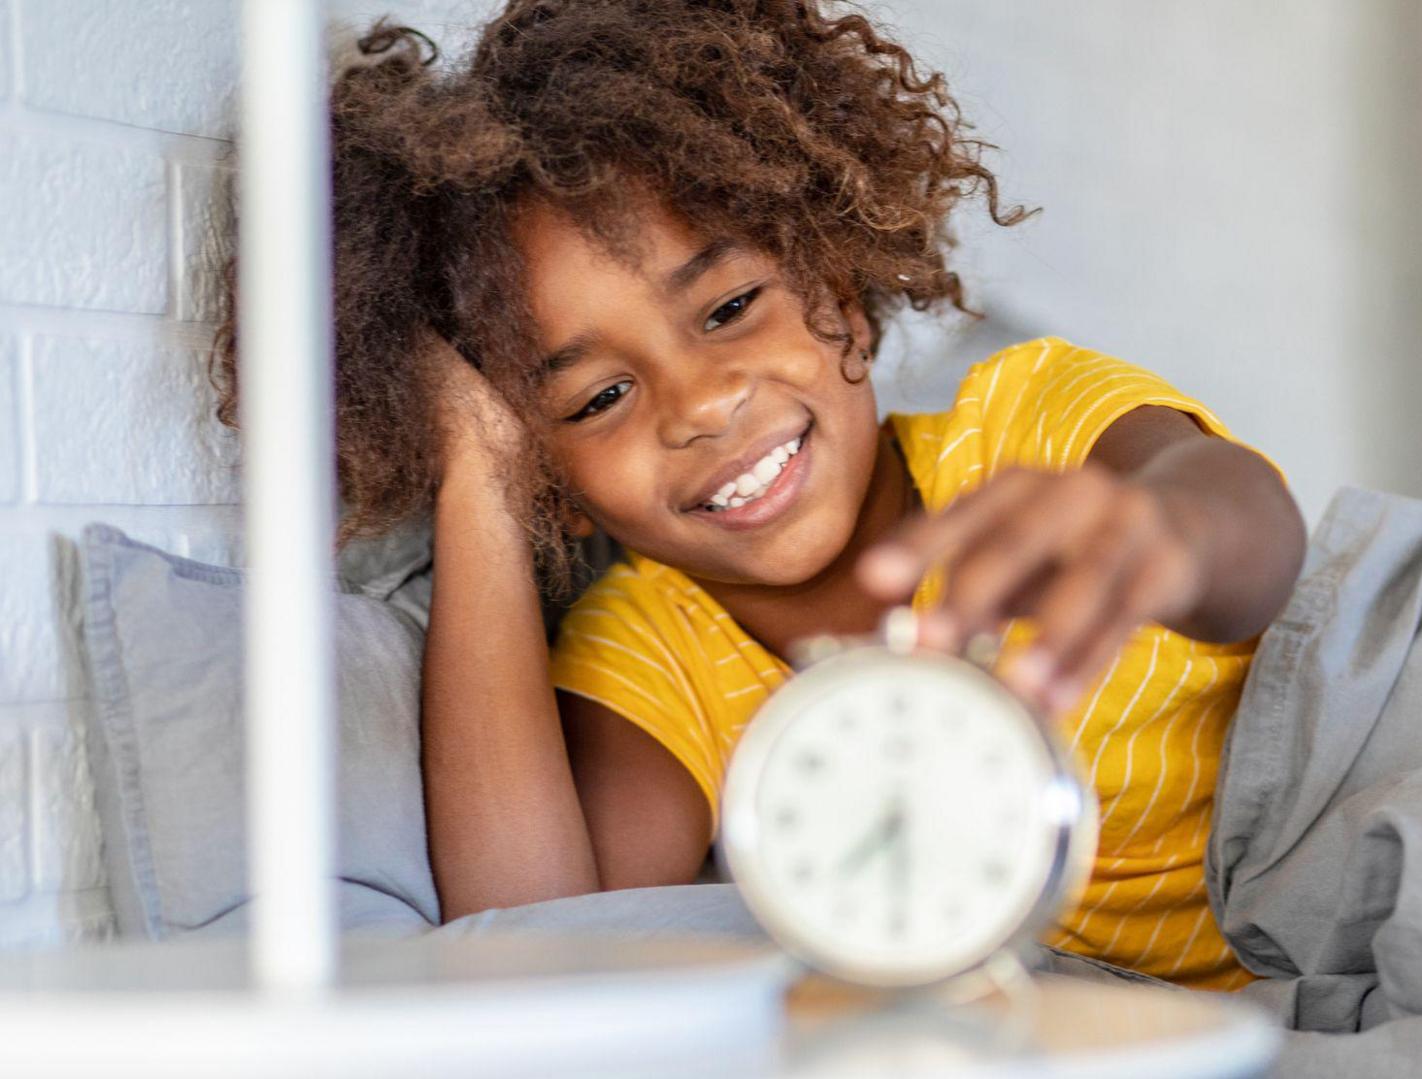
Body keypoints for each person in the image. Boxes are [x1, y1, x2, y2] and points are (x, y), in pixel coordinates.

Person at [214, 0, 1305, 991]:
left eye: (730, 304)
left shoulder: (1032, 423)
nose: (698, 403)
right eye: (597, 399)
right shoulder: (652, 646)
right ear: (567, 492)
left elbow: (1259, 542)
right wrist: (485, 474)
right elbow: (541, 936)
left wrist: (1167, 531)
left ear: (841, 283)